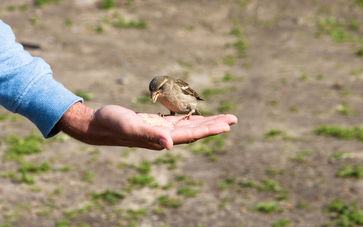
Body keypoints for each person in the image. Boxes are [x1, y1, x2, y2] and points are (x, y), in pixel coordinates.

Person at [0, 19, 237, 150]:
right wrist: (84, 120)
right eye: (152, 93)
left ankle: (190, 115)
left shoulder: (178, 86)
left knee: (189, 113)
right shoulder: (160, 90)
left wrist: (82, 118)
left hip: (189, 108)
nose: (154, 96)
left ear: (166, 86)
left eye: (158, 91)